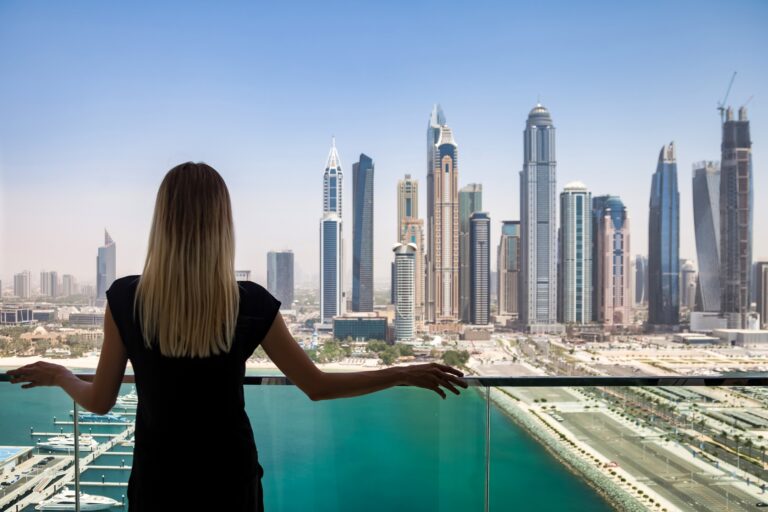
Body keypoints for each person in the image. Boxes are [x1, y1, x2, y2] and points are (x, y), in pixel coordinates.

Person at [7, 162, 468, 511]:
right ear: (221, 222)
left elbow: (102, 400)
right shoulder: (248, 303)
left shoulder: (126, 299)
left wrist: (63, 376)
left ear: (161, 222)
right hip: (231, 484)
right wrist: (400, 374)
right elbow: (317, 386)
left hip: (157, 486)